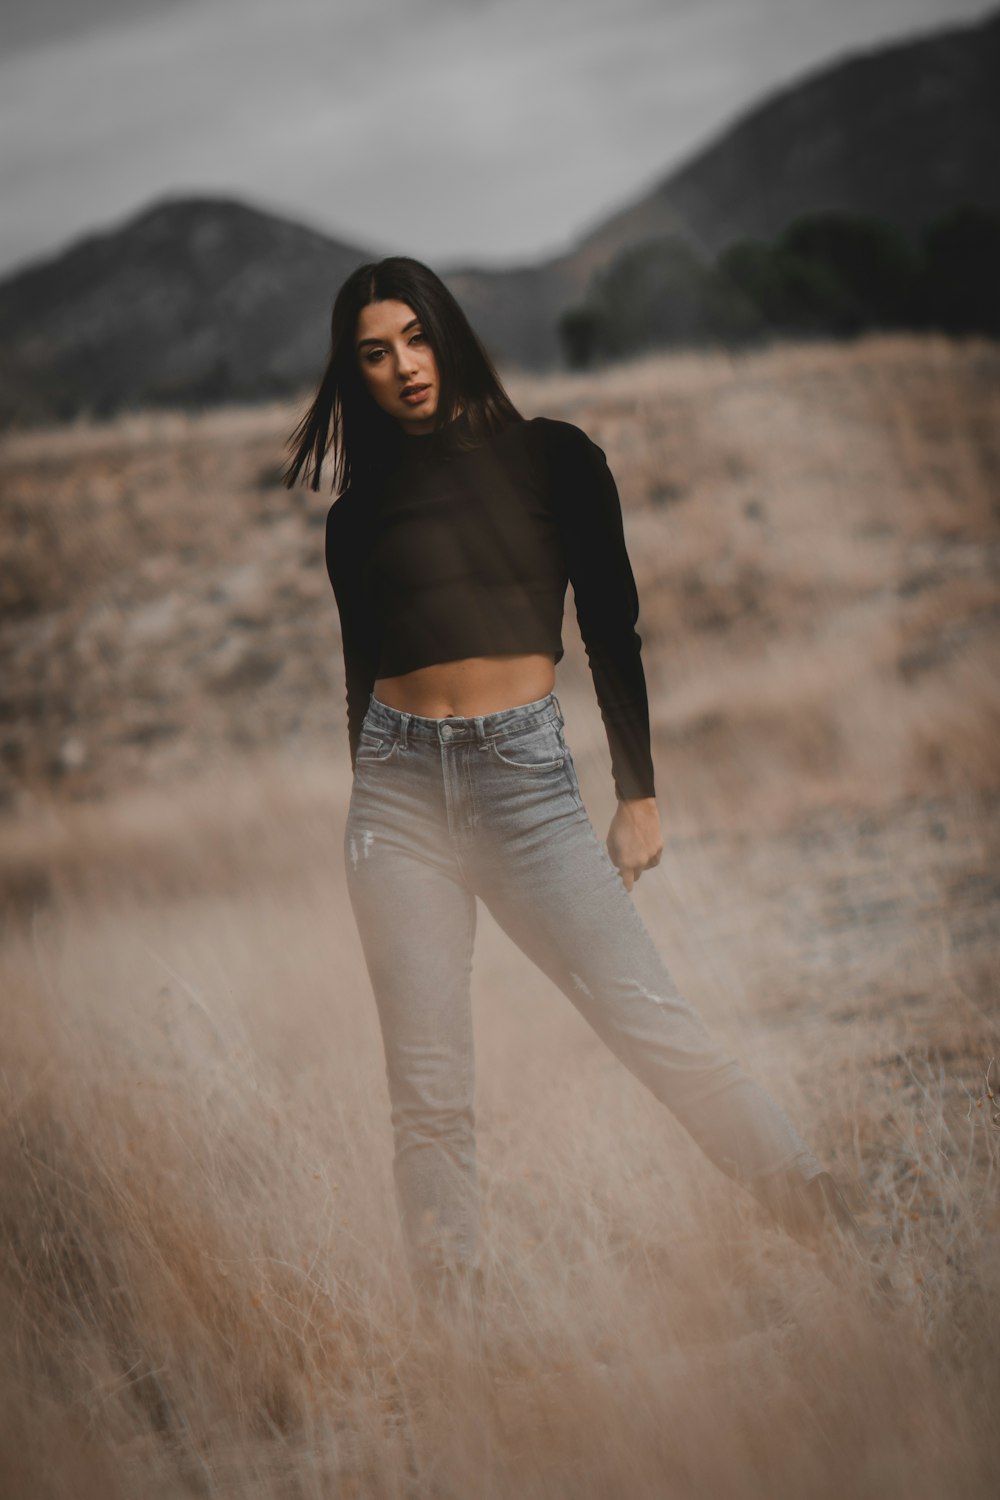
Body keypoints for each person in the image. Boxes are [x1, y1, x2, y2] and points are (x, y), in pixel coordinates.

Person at [283, 256, 873, 1319]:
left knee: (651, 1020)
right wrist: (368, 809)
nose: (403, 367)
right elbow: (355, 682)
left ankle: (828, 1222)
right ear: (353, 373)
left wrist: (637, 792)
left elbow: (611, 630)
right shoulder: (352, 521)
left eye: (416, 338)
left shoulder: (553, 458)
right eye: (374, 354)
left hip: (524, 784)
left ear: (448, 335)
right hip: (397, 796)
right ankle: (455, 1336)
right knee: (426, 1091)